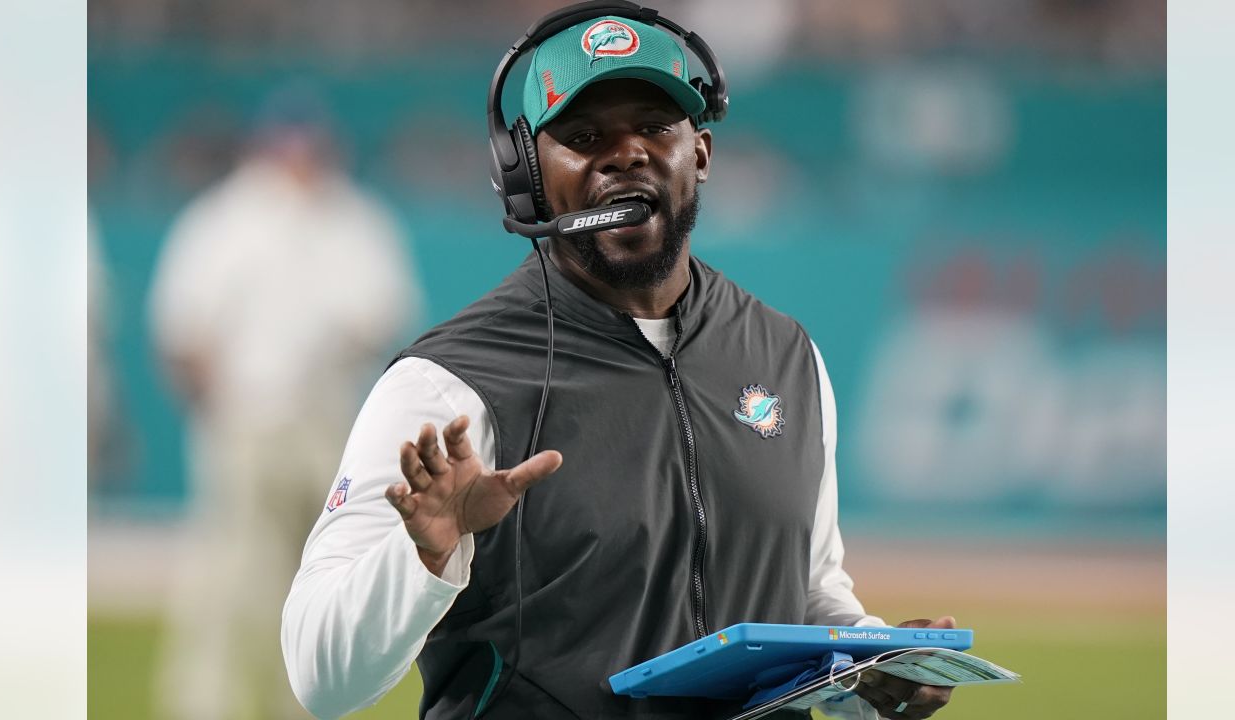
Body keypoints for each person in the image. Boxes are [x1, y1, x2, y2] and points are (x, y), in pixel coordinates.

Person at [282, 11, 954, 720]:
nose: (625, 154)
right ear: (527, 175)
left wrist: (870, 661)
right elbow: (320, 682)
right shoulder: (446, 388)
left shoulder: (786, 356)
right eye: (584, 137)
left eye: (654, 128)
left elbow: (810, 590)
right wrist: (425, 556)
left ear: (700, 153)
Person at [149, 85, 422, 720]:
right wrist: (215, 409)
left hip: (327, 420)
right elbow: (183, 332)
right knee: (229, 575)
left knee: (319, 575)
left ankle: (296, 704)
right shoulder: (224, 220)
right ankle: (203, 704)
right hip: (245, 417)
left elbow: (385, 319)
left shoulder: (354, 219)